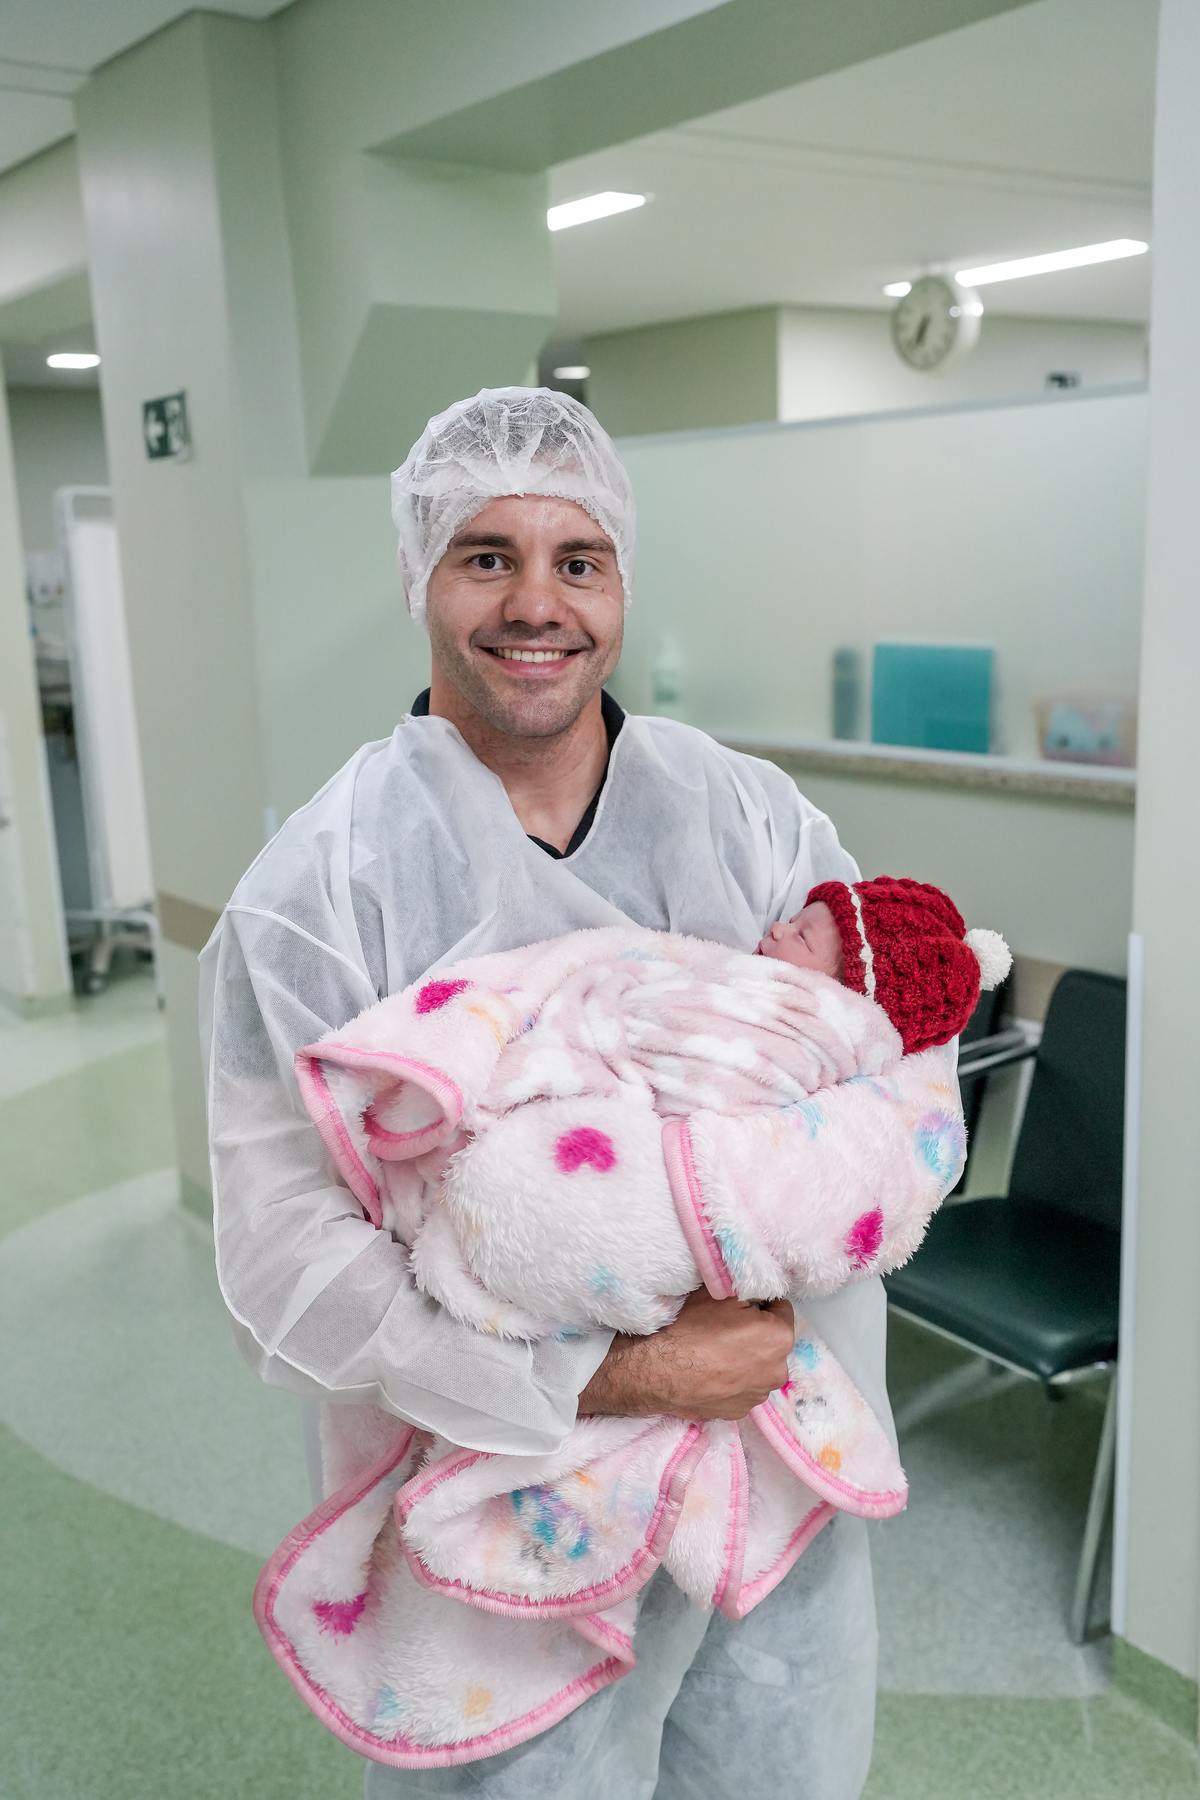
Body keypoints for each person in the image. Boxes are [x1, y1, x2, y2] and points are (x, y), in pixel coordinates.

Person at [201, 387, 963, 1798]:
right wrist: (618, 1374)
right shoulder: (319, 893)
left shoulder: (747, 816)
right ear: (419, 573)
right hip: (500, 1519)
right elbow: (281, 1258)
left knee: (777, 1762)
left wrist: (766, 1229)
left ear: (621, 583)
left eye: (580, 559)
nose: (536, 604)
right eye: (486, 555)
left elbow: (895, 1070)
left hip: (770, 1470)